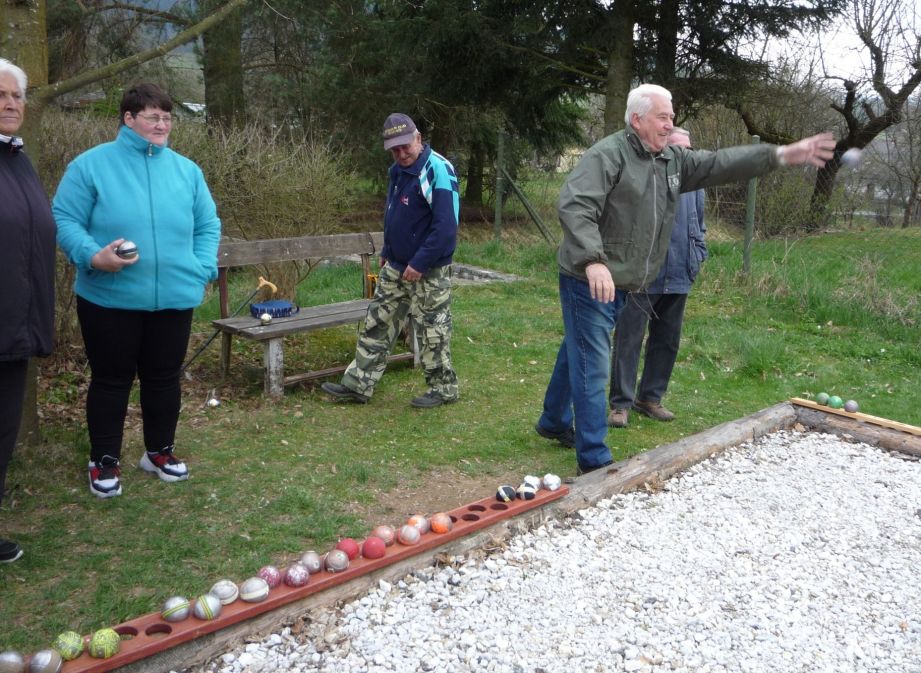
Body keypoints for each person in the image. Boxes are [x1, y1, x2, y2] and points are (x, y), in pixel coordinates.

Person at [535, 83, 834, 475]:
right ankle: (595, 460)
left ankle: (553, 421)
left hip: (624, 282)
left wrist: (779, 155)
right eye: (663, 116)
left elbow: (720, 163)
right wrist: (593, 260)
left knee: (580, 349)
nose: (670, 123)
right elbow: (575, 205)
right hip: (587, 278)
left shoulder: (672, 162)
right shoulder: (608, 155)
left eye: (672, 117)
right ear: (637, 119)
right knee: (593, 360)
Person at [54, 83, 221, 498]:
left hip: (174, 298)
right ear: (128, 119)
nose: (162, 124)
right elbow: (64, 218)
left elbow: (207, 225)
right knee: (112, 380)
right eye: (152, 116)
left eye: (167, 117)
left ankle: (159, 451)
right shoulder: (90, 166)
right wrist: (94, 257)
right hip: (109, 298)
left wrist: (199, 270)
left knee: (164, 379)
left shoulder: (187, 171)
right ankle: (104, 460)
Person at [321, 113, 460, 408]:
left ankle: (443, 389)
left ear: (418, 138)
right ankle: (358, 384)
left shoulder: (438, 170)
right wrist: (388, 251)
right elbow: (394, 214)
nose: (401, 154)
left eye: (405, 146)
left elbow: (446, 227)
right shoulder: (396, 171)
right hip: (396, 264)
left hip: (429, 270)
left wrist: (419, 263)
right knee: (377, 322)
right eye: (394, 149)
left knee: (433, 330)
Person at [608, 127, 705, 428]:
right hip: (643, 274)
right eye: (680, 149)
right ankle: (620, 404)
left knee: (667, 340)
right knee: (629, 338)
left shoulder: (696, 185)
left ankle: (650, 398)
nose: (686, 155)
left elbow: (699, 225)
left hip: (679, 272)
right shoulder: (644, 177)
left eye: (689, 149)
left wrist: (697, 255)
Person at [0, 59, 56, 562]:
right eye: (0, 95)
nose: (11, 103)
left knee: (2, 429)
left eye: (16, 95)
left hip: (14, 325)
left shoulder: (16, 158)